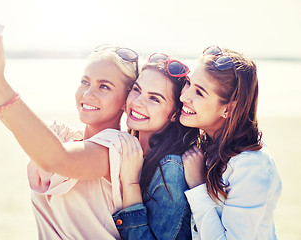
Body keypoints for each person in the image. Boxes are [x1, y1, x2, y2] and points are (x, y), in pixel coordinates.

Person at [0, 24, 139, 239]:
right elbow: (15, 120)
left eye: (104, 86)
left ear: (125, 102)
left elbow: (56, 159)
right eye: (85, 82)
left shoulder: (117, 148)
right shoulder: (67, 137)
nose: (88, 93)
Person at [180, 46, 282, 239]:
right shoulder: (206, 149)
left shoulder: (250, 166)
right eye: (188, 83)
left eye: (199, 93)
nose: (184, 96)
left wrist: (197, 186)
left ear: (230, 108)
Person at [112, 53, 199, 239]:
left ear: (175, 114)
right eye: (137, 90)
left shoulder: (170, 169)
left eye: (154, 99)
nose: (137, 102)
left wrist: (130, 184)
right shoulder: (129, 149)